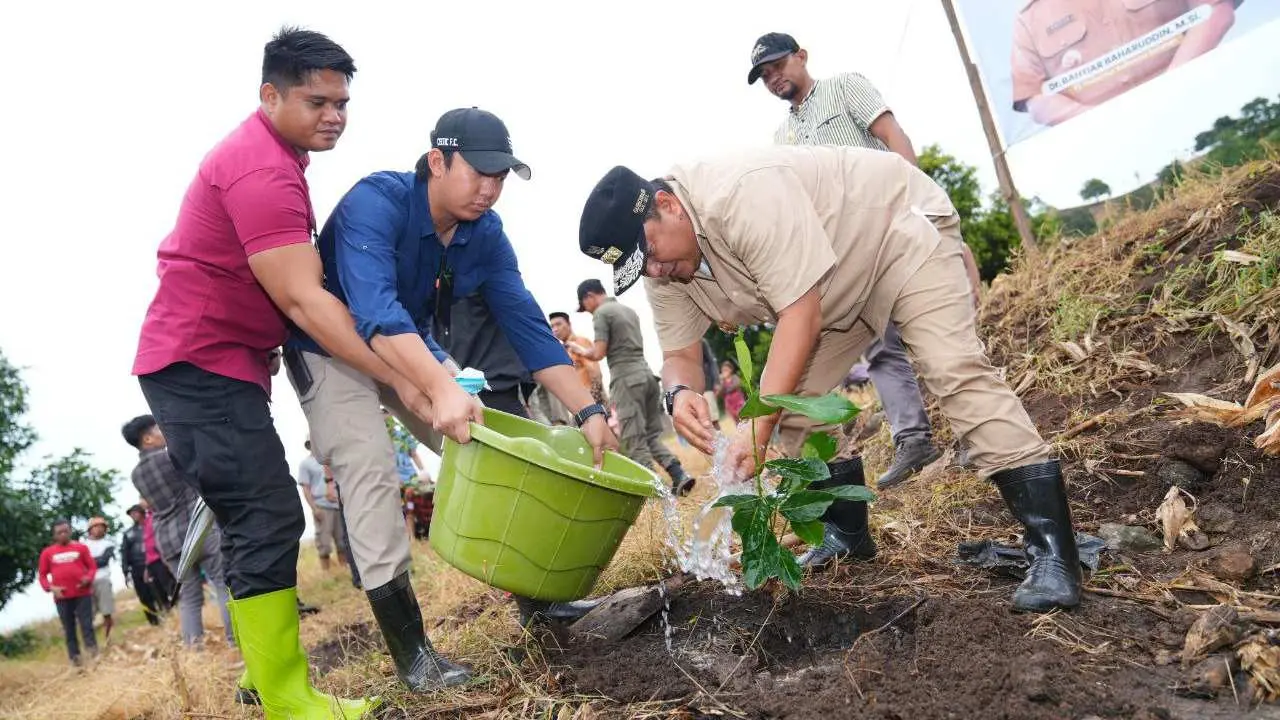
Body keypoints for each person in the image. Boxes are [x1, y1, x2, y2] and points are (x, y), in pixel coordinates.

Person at [576, 147, 1083, 613]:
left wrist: (758, 430)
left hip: (892, 235)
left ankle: (1055, 551)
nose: (659, 272)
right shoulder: (663, 269)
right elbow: (681, 355)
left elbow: (799, 315)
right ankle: (847, 531)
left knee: (953, 370)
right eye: (644, 269)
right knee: (795, 409)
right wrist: (678, 391)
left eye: (654, 254)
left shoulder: (740, 195)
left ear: (667, 204)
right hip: (834, 292)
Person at [130, 27, 471, 716]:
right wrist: (400, 376)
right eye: (317, 101)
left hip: (220, 362)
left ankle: (265, 680)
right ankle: (287, 699)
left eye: (342, 102)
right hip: (200, 360)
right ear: (270, 94)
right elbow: (303, 300)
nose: (335, 115)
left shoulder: (276, 158)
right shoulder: (261, 170)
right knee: (266, 514)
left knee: (258, 512)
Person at [283, 106, 617, 692]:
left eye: (501, 177)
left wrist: (587, 409)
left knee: (496, 443)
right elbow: (373, 310)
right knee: (370, 473)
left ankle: (537, 599)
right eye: (479, 173)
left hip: (406, 340)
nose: (490, 189)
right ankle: (414, 655)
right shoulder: (376, 203)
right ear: (437, 162)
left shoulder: (484, 232)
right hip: (331, 346)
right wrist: (433, 384)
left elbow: (527, 325)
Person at [748, 32, 988, 489]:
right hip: (843, 256)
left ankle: (977, 433)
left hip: (895, 228)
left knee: (940, 337)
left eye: (777, 64)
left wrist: (921, 207)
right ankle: (913, 439)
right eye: (764, 75)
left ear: (802, 56)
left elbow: (891, 135)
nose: (772, 76)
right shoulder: (781, 140)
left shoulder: (845, 88)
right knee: (880, 348)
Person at [1012, 0, 1240, 126]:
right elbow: (1036, 100)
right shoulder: (1028, 19)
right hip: (1118, 151)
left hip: (1208, 111)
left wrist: (1172, 91)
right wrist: (1110, 123)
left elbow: (1216, 11)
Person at [574, 279, 695, 496]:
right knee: (650, 435)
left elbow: (598, 353)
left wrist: (579, 350)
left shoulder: (602, 313)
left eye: (585, 306)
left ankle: (654, 490)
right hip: (647, 377)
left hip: (626, 380)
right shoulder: (628, 310)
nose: (587, 311)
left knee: (633, 438)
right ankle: (678, 474)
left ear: (589, 296)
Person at [123, 415, 234, 648]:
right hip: (198, 530)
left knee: (189, 597)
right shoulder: (171, 456)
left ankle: (194, 650)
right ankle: (236, 642)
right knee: (222, 583)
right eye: (158, 429)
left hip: (169, 540)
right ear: (147, 438)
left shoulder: (136, 474)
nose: (164, 432)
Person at [38, 520, 97, 665]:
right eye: (59, 532)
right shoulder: (47, 553)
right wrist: (51, 588)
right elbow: (42, 575)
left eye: (65, 531)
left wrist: (87, 578)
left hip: (83, 594)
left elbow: (92, 567)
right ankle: (76, 661)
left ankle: (94, 655)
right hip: (62, 597)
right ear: (54, 535)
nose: (63, 534)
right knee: (69, 629)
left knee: (87, 625)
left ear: (70, 531)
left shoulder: (81, 547)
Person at [298, 439, 348, 573]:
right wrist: (314, 508)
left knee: (342, 541)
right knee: (324, 543)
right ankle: (326, 574)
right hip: (322, 506)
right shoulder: (305, 464)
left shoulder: (330, 460)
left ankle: (344, 570)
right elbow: (306, 488)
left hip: (338, 504)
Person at [121, 505, 162, 626]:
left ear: (141, 512)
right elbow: (124, 553)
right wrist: (125, 572)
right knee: (143, 596)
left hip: (152, 563)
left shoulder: (150, 526)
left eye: (135, 512)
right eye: (131, 514)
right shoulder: (128, 534)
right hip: (136, 568)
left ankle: (166, 612)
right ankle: (153, 621)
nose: (133, 515)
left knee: (157, 591)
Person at [81, 517, 117, 640]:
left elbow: (103, 560)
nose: (99, 529)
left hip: (103, 579)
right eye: (96, 526)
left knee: (107, 611)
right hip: (87, 582)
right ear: (90, 529)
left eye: (102, 527)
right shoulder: (83, 545)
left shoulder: (108, 544)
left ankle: (109, 638)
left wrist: (88, 562)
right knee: (89, 613)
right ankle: (91, 642)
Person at [140, 503, 176, 610]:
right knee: (158, 589)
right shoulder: (145, 524)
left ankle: (178, 605)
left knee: (169, 585)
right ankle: (169, 609)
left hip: (160, 559)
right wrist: (146, 568)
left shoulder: (154, 517)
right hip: (151, 563)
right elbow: (147, 547)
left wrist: (164, 557)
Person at [717, 360, 747, 425]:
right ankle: (738, 429)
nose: (724, 372)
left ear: (730, 370)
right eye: (723, 370)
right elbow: (720, 393)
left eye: (726, 370)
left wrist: (727, 389)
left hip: (738, 401)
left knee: (743, 415)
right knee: (734, 419)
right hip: (729, 404)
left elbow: (737, 384)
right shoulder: (722, 382)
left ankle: (745, 426)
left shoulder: (734, 377)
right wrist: (721, 382)